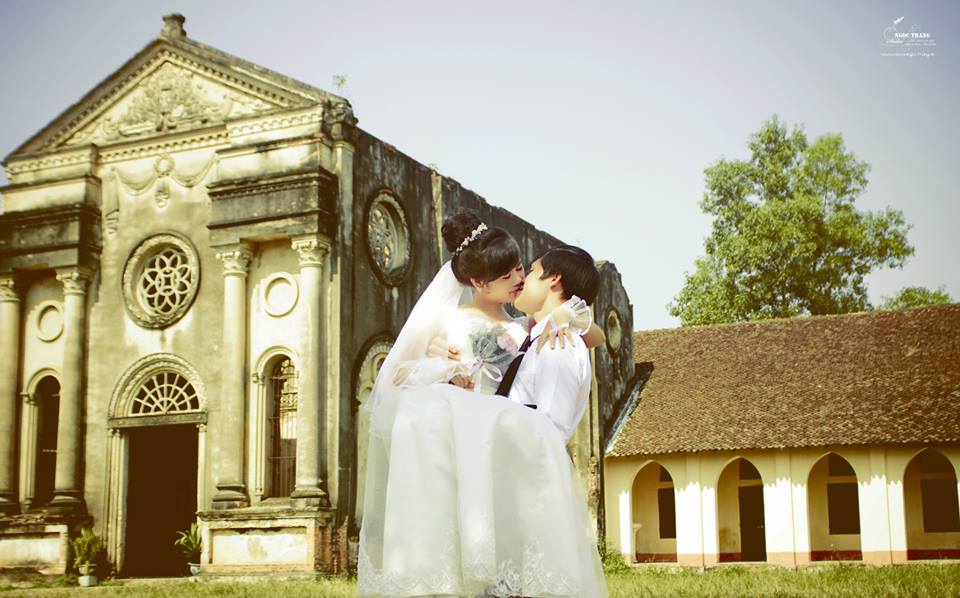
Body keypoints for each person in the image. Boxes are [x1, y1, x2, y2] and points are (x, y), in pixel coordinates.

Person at [358, 209, 607, 598]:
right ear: (479, 281)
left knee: (503, 554)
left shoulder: (525, 328)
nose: (518, 279)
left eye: (520, 268)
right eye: (506, 276)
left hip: (502, 453)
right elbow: (394, 376)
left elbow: (596, 338)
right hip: (454, 448)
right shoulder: (446, 321)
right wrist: (439, 368)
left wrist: (567, 315)